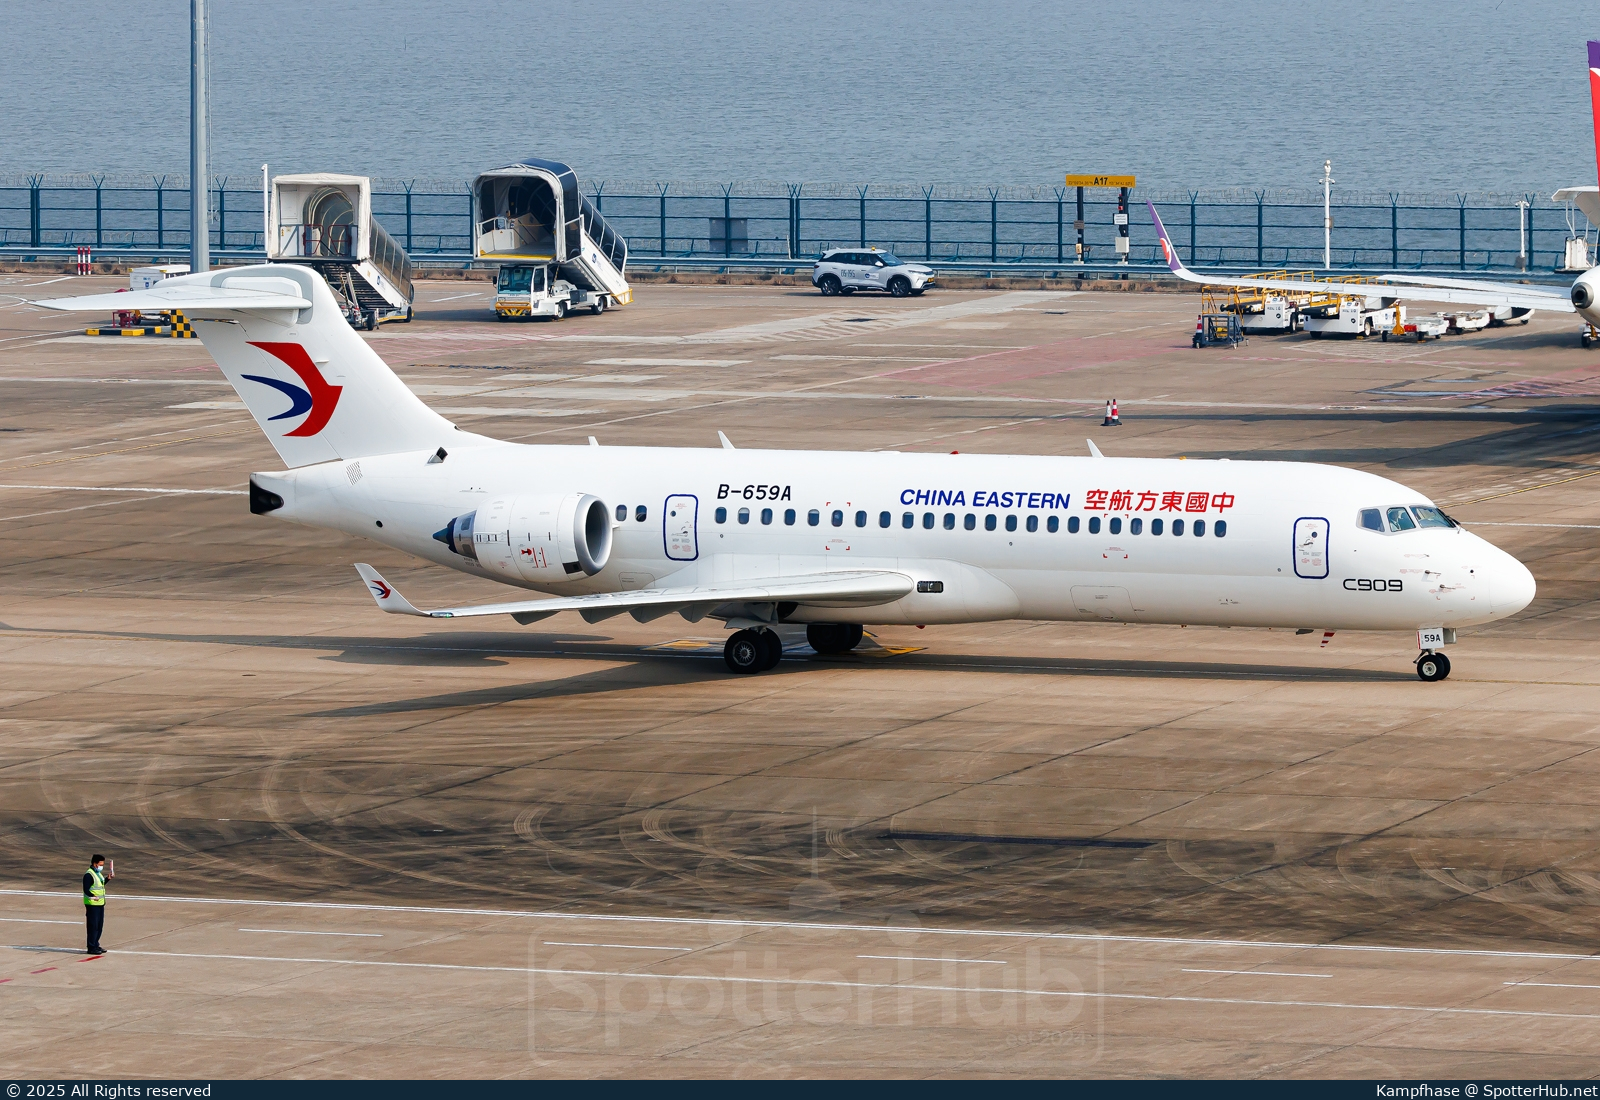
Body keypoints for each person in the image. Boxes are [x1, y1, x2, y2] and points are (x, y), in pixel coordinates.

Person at [83, 853, 110, 955]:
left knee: (99, 926)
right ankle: (91, 947)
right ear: (95, 864)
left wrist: (108, 879)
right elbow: (86, 889)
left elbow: (100, 885)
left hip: (100, 903)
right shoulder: (89, 875)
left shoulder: (97, 874)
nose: (101, 866)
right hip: (92, 904)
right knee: (93, 926)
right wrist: (93, 896)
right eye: (100, 864)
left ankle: (96, 944)